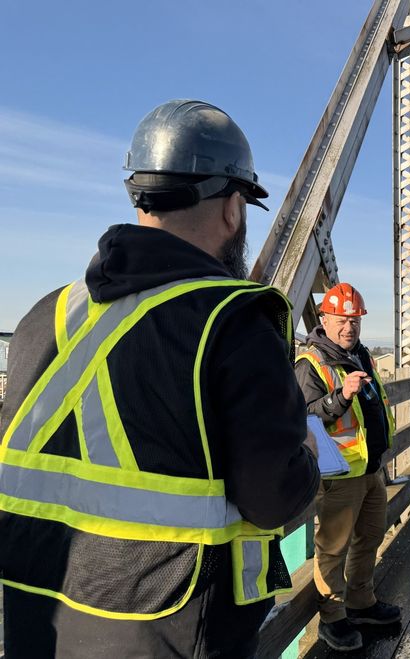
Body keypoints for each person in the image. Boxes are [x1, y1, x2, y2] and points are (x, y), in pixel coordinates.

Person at [0, 99, 320, 657]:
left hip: (38, 620)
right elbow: (272, 499)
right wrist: (309, 457)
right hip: (169, 626)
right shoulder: (234, 321)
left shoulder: (44, 315)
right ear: (232, 208)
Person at [294, 282, 401, 651]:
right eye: (341, 320)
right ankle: (333, 618)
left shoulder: (362, 354)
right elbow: (303, 417)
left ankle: (361, 602)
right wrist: (341, 396)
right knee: (333, 548)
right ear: (323, 319)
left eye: (354, 321)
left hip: (370, 468)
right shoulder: (311, 363)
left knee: (370, 537)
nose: (348, 328)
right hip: (339, 474)